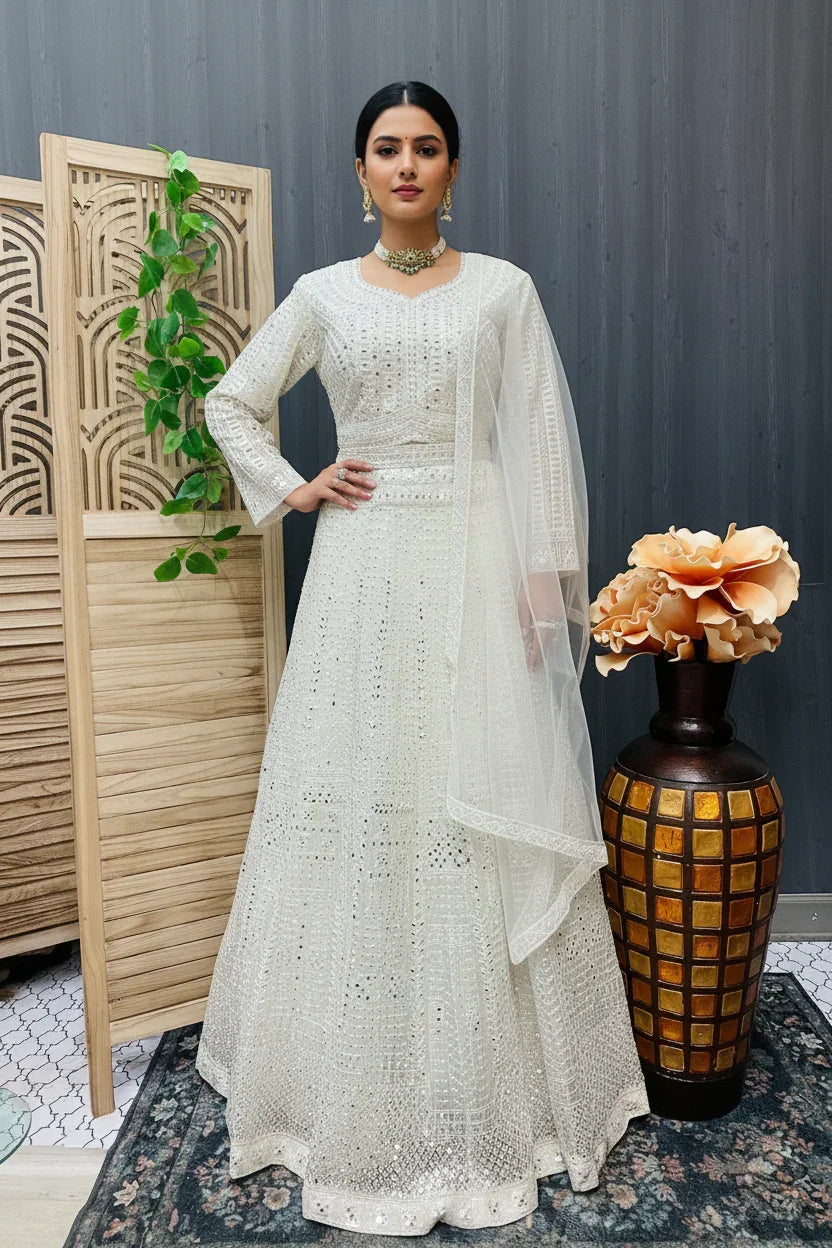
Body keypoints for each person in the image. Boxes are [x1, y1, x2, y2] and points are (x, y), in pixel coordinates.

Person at [195, 80, 650, 1236]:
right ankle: (337, 1075)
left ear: (453, 168)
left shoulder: (502, 289)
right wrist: (294, 487)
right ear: (359, 173)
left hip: (479, 561)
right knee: (364, 785)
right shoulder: (320, 295)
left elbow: (536, 433)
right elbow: (230, 402)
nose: (406, 164)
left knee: (477, 792)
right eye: (387, 148)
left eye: (427, 147)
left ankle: (508, 1090)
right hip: (362, 567)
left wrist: (547, 584)